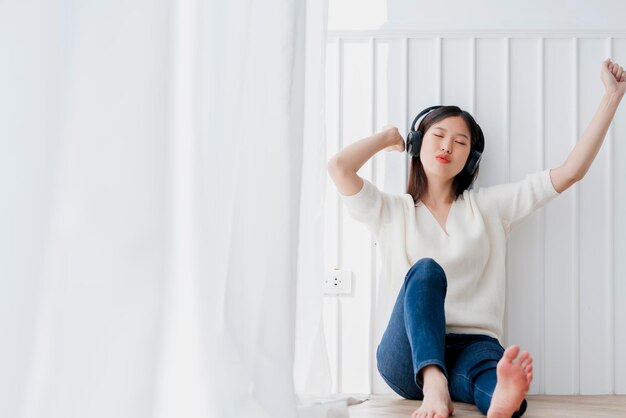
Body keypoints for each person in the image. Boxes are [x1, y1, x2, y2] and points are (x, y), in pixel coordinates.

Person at [327, 58, 625, 418]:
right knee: (426, 271)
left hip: (474, 344)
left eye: (460, 142)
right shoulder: (391, 211)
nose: (447, 146)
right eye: (437, 136)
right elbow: (339, 168)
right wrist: (387, 137)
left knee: (494, 380)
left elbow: (570, 172)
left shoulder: (489, 207)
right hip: (406, 354)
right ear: (418, 144)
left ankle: (501, 401)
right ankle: (433, 382)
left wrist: (612, 97)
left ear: (470, 159)